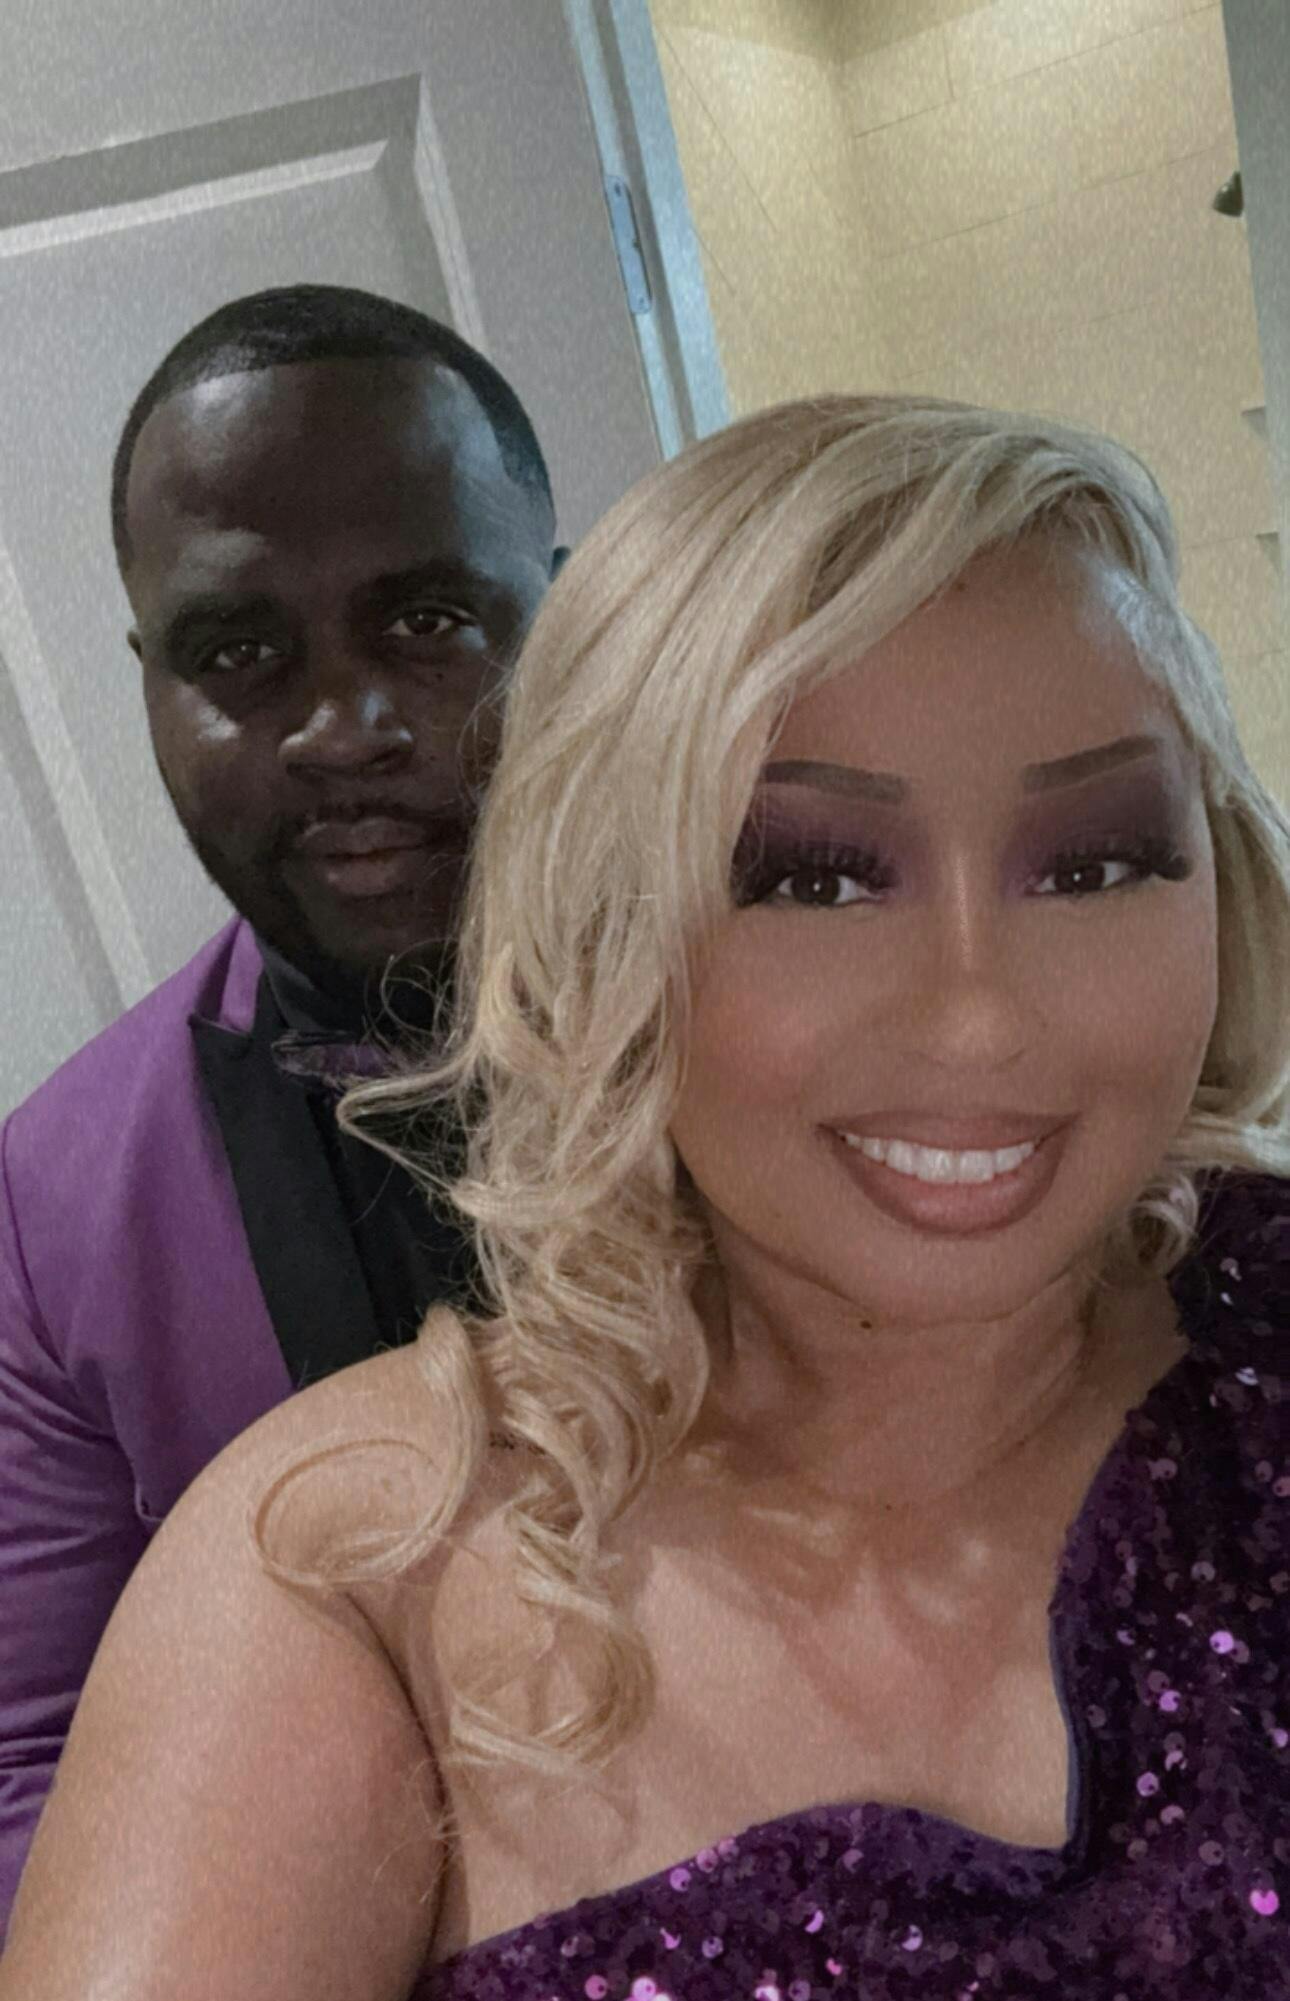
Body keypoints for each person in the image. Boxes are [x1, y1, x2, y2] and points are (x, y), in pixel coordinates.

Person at [4, 391, 1289, 2000]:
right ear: (603, 931)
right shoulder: (344, 1563)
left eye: (1092, 862)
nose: (978, 1015)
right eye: (808, 875)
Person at [0, 284, 570, 1941]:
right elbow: (35, 1758)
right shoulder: (52, 1206)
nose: (347, 728)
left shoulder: (805, 1019)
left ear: (565, 613)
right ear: (148, 684)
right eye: (238, 653)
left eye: (431, 620)